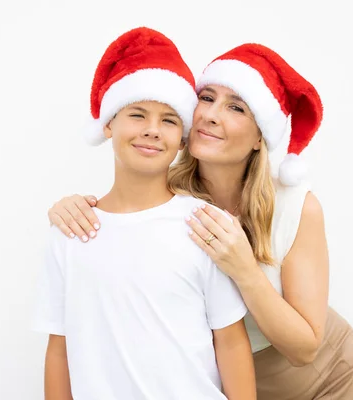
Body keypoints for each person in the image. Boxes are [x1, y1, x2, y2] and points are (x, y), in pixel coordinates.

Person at [47, 42, 353, 399]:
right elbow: (121, 225)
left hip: (326, 381)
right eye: (206, 98)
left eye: (236, 107)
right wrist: (74, 209)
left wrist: (244, 268)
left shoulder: (296, 206)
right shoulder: (170, 195)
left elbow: (306, 349)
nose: (210, 114)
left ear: (259, 137)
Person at [33, 27, 257, 400]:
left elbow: (230, 341)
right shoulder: (71, 231)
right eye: (137, 115)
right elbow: (60, 347)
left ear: (183, 138)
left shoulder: (203, 224)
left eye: (169, 120)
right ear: (108, 125)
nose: (152, 131)